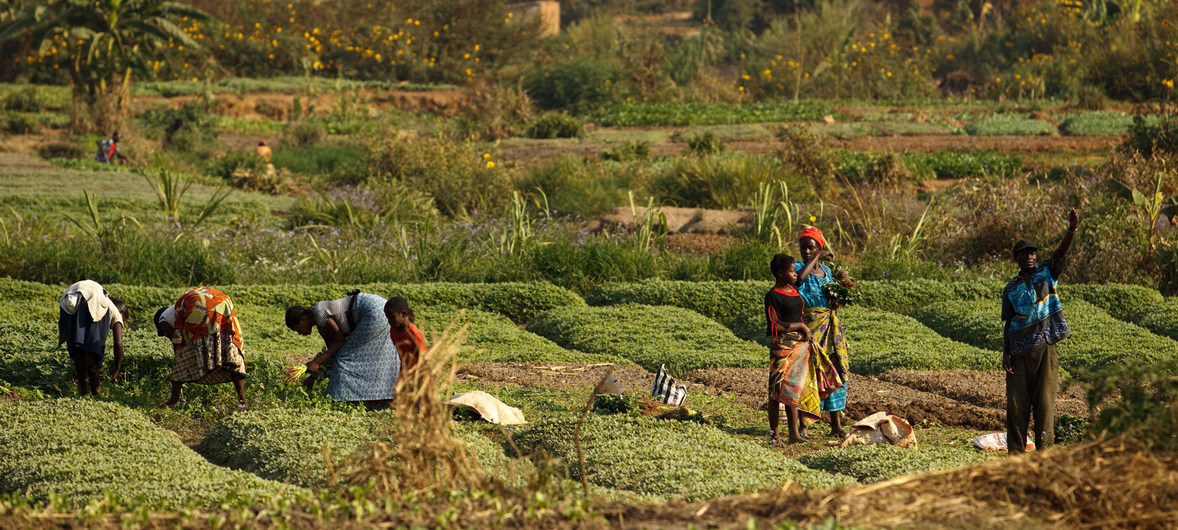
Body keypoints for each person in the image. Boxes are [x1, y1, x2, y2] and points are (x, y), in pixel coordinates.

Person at [1002, 207, 1079, 455]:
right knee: (1016, 408)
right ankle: (1016, 456)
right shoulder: (1010, 289)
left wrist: (1071, 229)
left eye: (1033, 253)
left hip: (1046, 350)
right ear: (1017, 259)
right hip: (1019, 354)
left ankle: (1045, 457)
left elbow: (1061, 251)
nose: (1030, 257)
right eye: (1024, 254)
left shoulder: (1047, 274)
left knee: (1045, 406)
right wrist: (1006, 353)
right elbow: (1008, 322)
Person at [286, 290, 400, 410]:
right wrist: (315, 376)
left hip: (373, 312)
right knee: (369, 357)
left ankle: (340, 401)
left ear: (302, 320)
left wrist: (317, 361)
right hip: (382, 308)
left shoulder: (319, 312)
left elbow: (340, 342)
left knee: (344, 360)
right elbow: (332, 353)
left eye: (297, 329)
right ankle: (383, 400)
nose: (299, 333)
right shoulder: (322, 327)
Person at [796, 226, 851, 439]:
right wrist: (817, 257)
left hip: (829, 328)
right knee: (809, 374)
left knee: (834, 373)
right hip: (810, 328)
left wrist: (842, 286)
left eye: (811, 248)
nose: (806, 252)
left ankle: (835, 424)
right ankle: (804, 425)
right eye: (804, 248)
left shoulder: (827, 272)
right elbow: (799, 279)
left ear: (819, 247)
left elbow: (835, 298)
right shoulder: (799, 267)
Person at [154, 287, 247, 407]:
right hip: (222, 302)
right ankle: (243, 401)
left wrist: (179, 372)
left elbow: (177, 343)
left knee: (181, 359)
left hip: (198, 305)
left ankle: (173, 401)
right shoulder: (175, 311)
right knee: (230, 355)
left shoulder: (162, 320)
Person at [765, 254, 816, 445]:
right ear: (780, 273)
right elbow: (773, 326)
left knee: (792, 389)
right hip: (782, 347)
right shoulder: (773, 295)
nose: (796, 274)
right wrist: (801, 327)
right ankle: (774, 435)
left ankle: (794, 434)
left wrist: (818, 256)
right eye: (792, 271)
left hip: (799, 346)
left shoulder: (793, 290)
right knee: (776, 391)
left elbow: (803, 275)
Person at [58, 280, 127, 396]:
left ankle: (84, 392)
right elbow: (118, 343)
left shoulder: (102, 303)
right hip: (87, 298)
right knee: (91, 353)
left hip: (68, 298)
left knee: (78, 350)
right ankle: (96, 392)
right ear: (121, 313)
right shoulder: (114, 311)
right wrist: (116, 370)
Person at [385, 296, 426, 378]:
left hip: (418, 375)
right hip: (404, 374)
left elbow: (424, 358)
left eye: (392, 317)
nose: (389, 321)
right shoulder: (393, 331)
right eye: (387, 318)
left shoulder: (413, 333)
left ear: (403, 314)